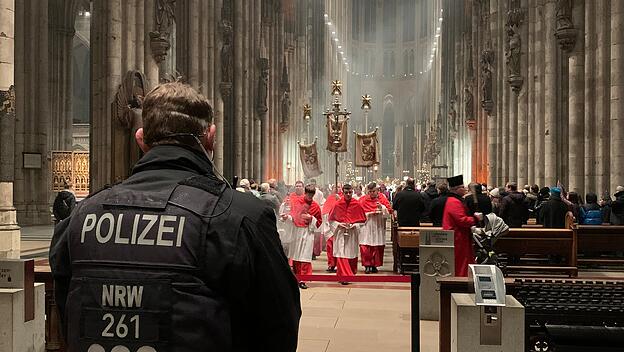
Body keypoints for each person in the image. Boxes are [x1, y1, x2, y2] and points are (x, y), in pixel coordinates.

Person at [49, 82, 301, 351]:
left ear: (141, 139)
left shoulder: (82, 216)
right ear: (210, 138)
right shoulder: (241, 216)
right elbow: (279, 324)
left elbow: (67, 312)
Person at [442, 175, 480, 277]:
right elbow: (462, 220)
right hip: (457, 237)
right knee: (460, 261)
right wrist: (475, 219)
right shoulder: (454, 202)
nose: (465, 189)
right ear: (456, 189)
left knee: (463, 260)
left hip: (460, 236)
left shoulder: (454, 200)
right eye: (462, 187)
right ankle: (460, 278)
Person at [328, 184, 367, 284]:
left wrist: (354, 225)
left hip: (352, 233)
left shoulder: (357, 204)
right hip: (340, 232)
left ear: (352, 192)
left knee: (350, 254)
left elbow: (363, 221)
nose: (348, 194)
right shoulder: (337, 204)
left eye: (350, 192)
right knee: (341, 254)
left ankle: (348, 274)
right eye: (346, 193)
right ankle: (345, 276)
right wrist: (339, 224)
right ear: (343, 192)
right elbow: (331, 220)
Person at [288, 184, 322, 289]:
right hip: (297, 231)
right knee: (297, 256)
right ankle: (296, 277)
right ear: (305, 193)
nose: (310, 198)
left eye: (312, 196)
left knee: (305, 257)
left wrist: (311, 218)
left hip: (308, 233)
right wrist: (287, 217)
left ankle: (303, 279)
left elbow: (319, 221)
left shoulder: (315, 206)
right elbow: (292, 216)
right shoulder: (297, 202)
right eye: (308, 195)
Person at [359, 182, 392, 274]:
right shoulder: (363, 200)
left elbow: (389, 212)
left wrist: (381, 208)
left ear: (377, 190)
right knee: (366, 246)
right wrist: (369, 213)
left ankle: (374, 265)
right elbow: (359, 213)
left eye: (373, 191)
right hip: (367, 225)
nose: (372, 193)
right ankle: (367, 265)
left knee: (377, 247)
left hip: (378, 225)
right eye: (370, 191)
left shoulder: (382, 198)